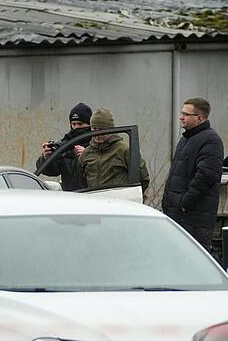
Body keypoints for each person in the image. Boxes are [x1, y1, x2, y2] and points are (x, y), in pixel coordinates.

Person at [162, 98, 224, 251]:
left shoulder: (211, 140)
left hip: (194, 218)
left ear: (200, 118)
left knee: (193, 257)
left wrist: (184, 204)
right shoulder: (186, 140)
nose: (181, 117)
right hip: (177, 214)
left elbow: (206, 176)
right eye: (181, 113)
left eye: (186, 114)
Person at [79, 108, 150, 192]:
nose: (97, 133)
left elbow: (143, 179)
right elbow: (81, 182)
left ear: (111, 129)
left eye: (101, 129)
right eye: (94, 129)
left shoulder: (124, 150)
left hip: (119, 201)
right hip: (95, 201)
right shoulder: (86, 153)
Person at [35, 102, 93, 191]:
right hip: (69, 197)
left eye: (80, 124)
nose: (76, 127)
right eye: (73, 124)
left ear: (89, 124)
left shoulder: (96, 143)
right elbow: (51, 171)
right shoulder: (65, 144)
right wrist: (47, 157)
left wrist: (87, 155)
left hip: (94, 195)